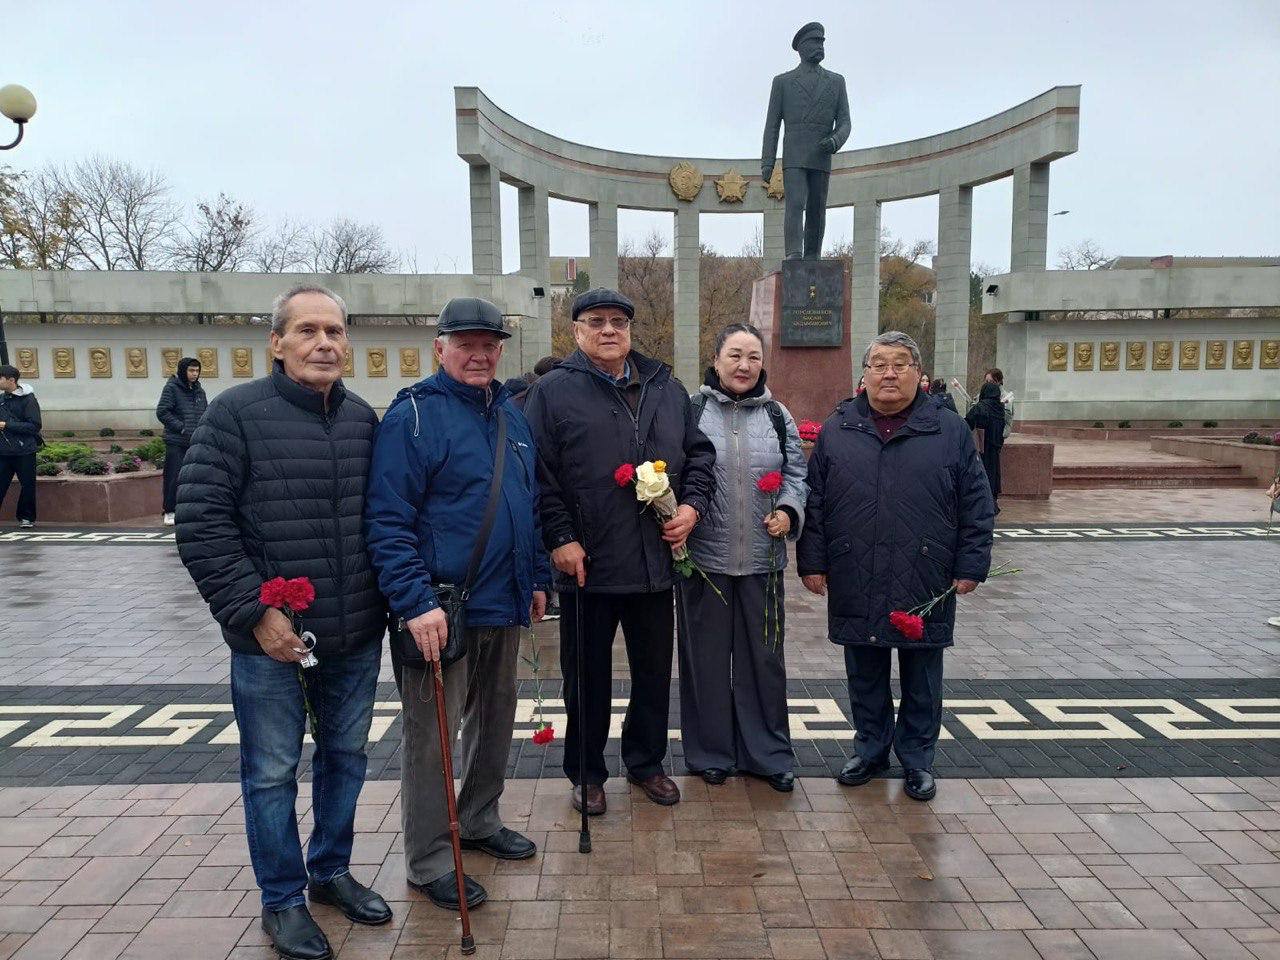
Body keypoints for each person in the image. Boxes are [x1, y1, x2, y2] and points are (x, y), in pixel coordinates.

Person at [176, 286, 390, 960]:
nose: (324, 342)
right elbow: (202, 523)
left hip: (353, 634)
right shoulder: (235, 415)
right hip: (270, 640)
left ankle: (329, 871)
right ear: (277, 343)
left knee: (346, 759)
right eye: (307, 330)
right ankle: (282, 900)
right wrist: (254, 612)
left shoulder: (362, 418)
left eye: (335, 330)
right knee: (271, 773)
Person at [365, 297, 550, 912]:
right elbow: (388, 522)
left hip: (504, 603)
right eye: (466, 343)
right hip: (438, 611)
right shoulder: (413, 417)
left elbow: (528, 504)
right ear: (439, 347)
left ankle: (477, 819)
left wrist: (538, 577)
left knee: (495, 726)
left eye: (490, 344)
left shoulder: (511, 415)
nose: (480, 354)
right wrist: (415, 601)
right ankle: (429, 858)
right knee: (433, 740)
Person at [523, 287, 715, 815]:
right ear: (577, 331)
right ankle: (586, 771)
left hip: (656, 559)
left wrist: (691, 508)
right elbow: (539, 474)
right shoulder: (553, 392)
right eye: (596, 321)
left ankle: (646, 761)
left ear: (631, 330)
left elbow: (699, 456)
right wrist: (560, 537)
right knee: (585, 676)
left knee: (654, 670)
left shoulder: (666, 387)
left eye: (619, 322)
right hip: (588, 562)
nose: (609, 330)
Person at [797, 331, 994, 802]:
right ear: (863, 375)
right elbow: (815, 502)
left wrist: (971, 564)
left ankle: (918, 760)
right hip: (854, 569)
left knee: (922, 674)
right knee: (863, 670)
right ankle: (869, 750)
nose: (889, 373)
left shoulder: (948, 430)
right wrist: (812, 562)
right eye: (879, 364)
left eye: (900, 364)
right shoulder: (838, 428)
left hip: (924, 571)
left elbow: (977, 502)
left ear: (919, 375)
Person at [680, 323, 808, 792]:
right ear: (715, 359)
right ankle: (710, 752)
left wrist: (790, 511)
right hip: (703, 562)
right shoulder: (691, 411)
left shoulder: (778, 415)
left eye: (753, 356)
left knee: (764, 662)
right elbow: (672, 471)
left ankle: (768, 754)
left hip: (763, 560)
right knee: (706, 661)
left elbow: (797, 473)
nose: (743, 365)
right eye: (734, 354)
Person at [155, 356, 207, 525]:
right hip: (176, 441)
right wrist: (181, 427)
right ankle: (169, 510)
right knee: (173, 476)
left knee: (194, 477)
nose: (195, 374)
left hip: (195, 442)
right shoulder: (172, 388)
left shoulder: (199, 390)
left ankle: (190, 509)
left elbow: (204, 412)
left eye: (197, 370)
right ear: (183, 371)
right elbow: (162, 412)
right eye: (191, 370)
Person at [0, 364, 42, 529]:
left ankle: (27, 517)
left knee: (28, 485)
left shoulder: (29, 399)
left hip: (25, 451)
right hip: (3, 451)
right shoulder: (2, 400)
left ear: (11, 380)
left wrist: (6, 425)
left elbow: (34, 426)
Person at [966, 382, 1006, 513]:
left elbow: (967, 423)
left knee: (982, 474)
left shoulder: (981, 407)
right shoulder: (1000, 408)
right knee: (993, 474)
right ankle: (993, 502)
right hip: (995, 448)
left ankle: (984, 504)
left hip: (981, 448)